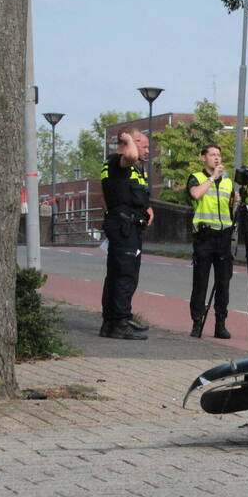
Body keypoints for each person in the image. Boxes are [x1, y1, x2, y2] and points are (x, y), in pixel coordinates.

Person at [99, 128, 154, 340]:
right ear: (130, 142)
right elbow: (130, 155)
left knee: (117, 273)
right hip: (123, 227)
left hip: (128, 226)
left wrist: (147, 208)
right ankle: (120, 322)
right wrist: (128, 138)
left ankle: (112, 321)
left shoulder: (132, 169)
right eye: (144, 145)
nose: (147, 150)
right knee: (124, 274)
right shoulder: (118, 161)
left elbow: (122, 194)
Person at [187, 144, 240, 339]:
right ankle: (197, 322)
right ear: (204, 158)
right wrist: (212, 178)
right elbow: (195, 194)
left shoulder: (228, 182)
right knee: (200, 282)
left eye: (219, 155)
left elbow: (230, 211)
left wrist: (236, 203)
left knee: (223, 283)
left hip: (224, 238)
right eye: (212, 155)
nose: (217, 158)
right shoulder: (197, 178)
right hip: (204, 237)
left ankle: (220, 323)